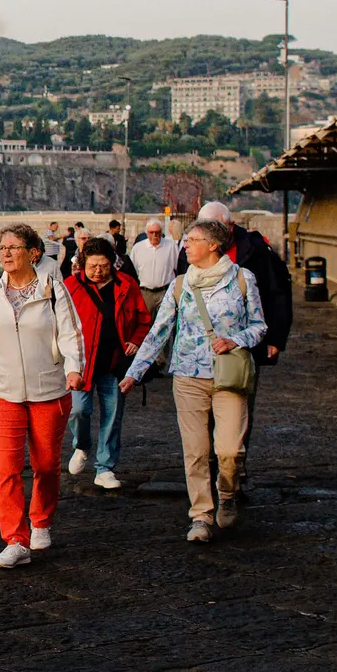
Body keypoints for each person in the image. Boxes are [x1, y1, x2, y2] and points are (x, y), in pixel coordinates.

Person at [121, 220, 266, 542]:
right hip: (188, 376)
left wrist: (234, 339)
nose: (185, 245)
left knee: (230, 450)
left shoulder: (243, 279)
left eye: (192, 240)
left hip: (229, 375)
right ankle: (200, 515)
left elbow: (259, 326)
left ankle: (227, 493)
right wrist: (135, 372)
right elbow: (159, 331)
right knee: (196, 451)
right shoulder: (180, 285)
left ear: (214, 245)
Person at [0, 223, 84, 569]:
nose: (7, 254)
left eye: (13, 247)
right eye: (2, 248)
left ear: (33, 253)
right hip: (1, 391)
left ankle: (41, 520)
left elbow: (72, 333)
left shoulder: (53, 289)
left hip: (49, 390)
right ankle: (15, 538)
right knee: (6, 469)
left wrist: (74, 367)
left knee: (46, 464)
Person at [176, 202, 292, 487]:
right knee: (200, 422)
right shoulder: (189, 250)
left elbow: (276, 293)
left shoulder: (256, 251)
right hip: (198, 353)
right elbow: (178, 295)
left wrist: (275, 338)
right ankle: (208, 471)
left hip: (240, 347)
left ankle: (232, 468)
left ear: (227, 228)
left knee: (238, 412)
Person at [63, 237, 152, 490]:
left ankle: (105, 468)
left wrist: (135, 340)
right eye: (92, 266)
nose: (98, 271)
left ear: (112, 263)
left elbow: (144, 319)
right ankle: (81, 445)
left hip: (115, 362)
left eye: (103, 265)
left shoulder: (127, 284)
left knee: (112, 416)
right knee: (78, 410)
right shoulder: (71, 286)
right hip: (82, 364)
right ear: (82, 264)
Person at [129, 218, 180, 315]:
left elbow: (177, 267)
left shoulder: (171, 246)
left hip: (165, 291)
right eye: (151, 232)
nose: (154, 235)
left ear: (161, 232)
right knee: (145, 322)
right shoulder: (138, 248)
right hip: (145, 293)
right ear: (147, 233)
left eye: (157, 232)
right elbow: (133, 271)